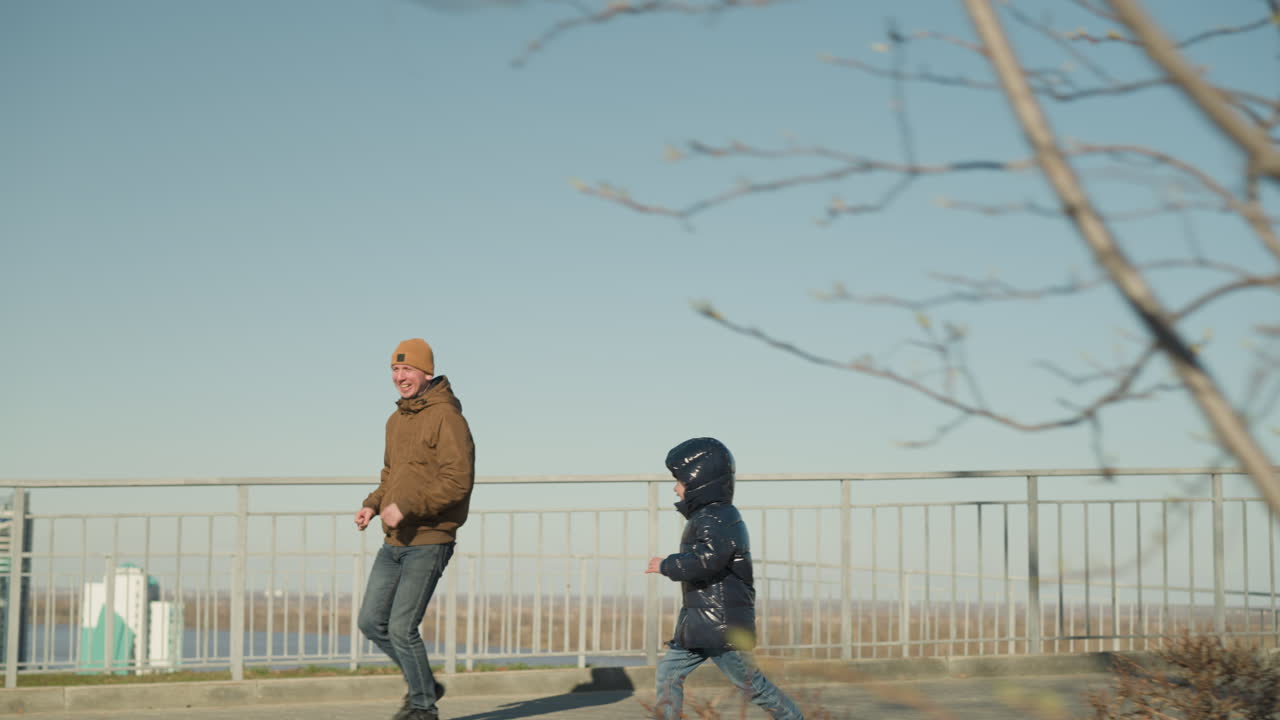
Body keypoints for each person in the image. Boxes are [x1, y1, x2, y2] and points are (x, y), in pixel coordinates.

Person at [355, 338, 476, 720]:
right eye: (394, 369)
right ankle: (425, 682)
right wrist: (373, 504)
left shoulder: (447, 417)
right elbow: (391, 474)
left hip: (429, 539)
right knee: (371, 622)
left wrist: (406, 507)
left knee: (402, 627)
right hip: (395, 540)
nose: (399, 377)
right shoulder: (396, 420)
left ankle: (424, 709)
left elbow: (457, 481)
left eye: (407, 369)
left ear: (426, 372)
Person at [646, 437, 805, 720]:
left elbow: (709, 559)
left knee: (752, 686)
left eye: (679, 481)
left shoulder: (716, 517)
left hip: (721, 624)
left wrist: (667, 565)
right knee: (668, 672)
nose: (675, 488)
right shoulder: (708, 516)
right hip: (700, 622)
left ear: (699, 482)